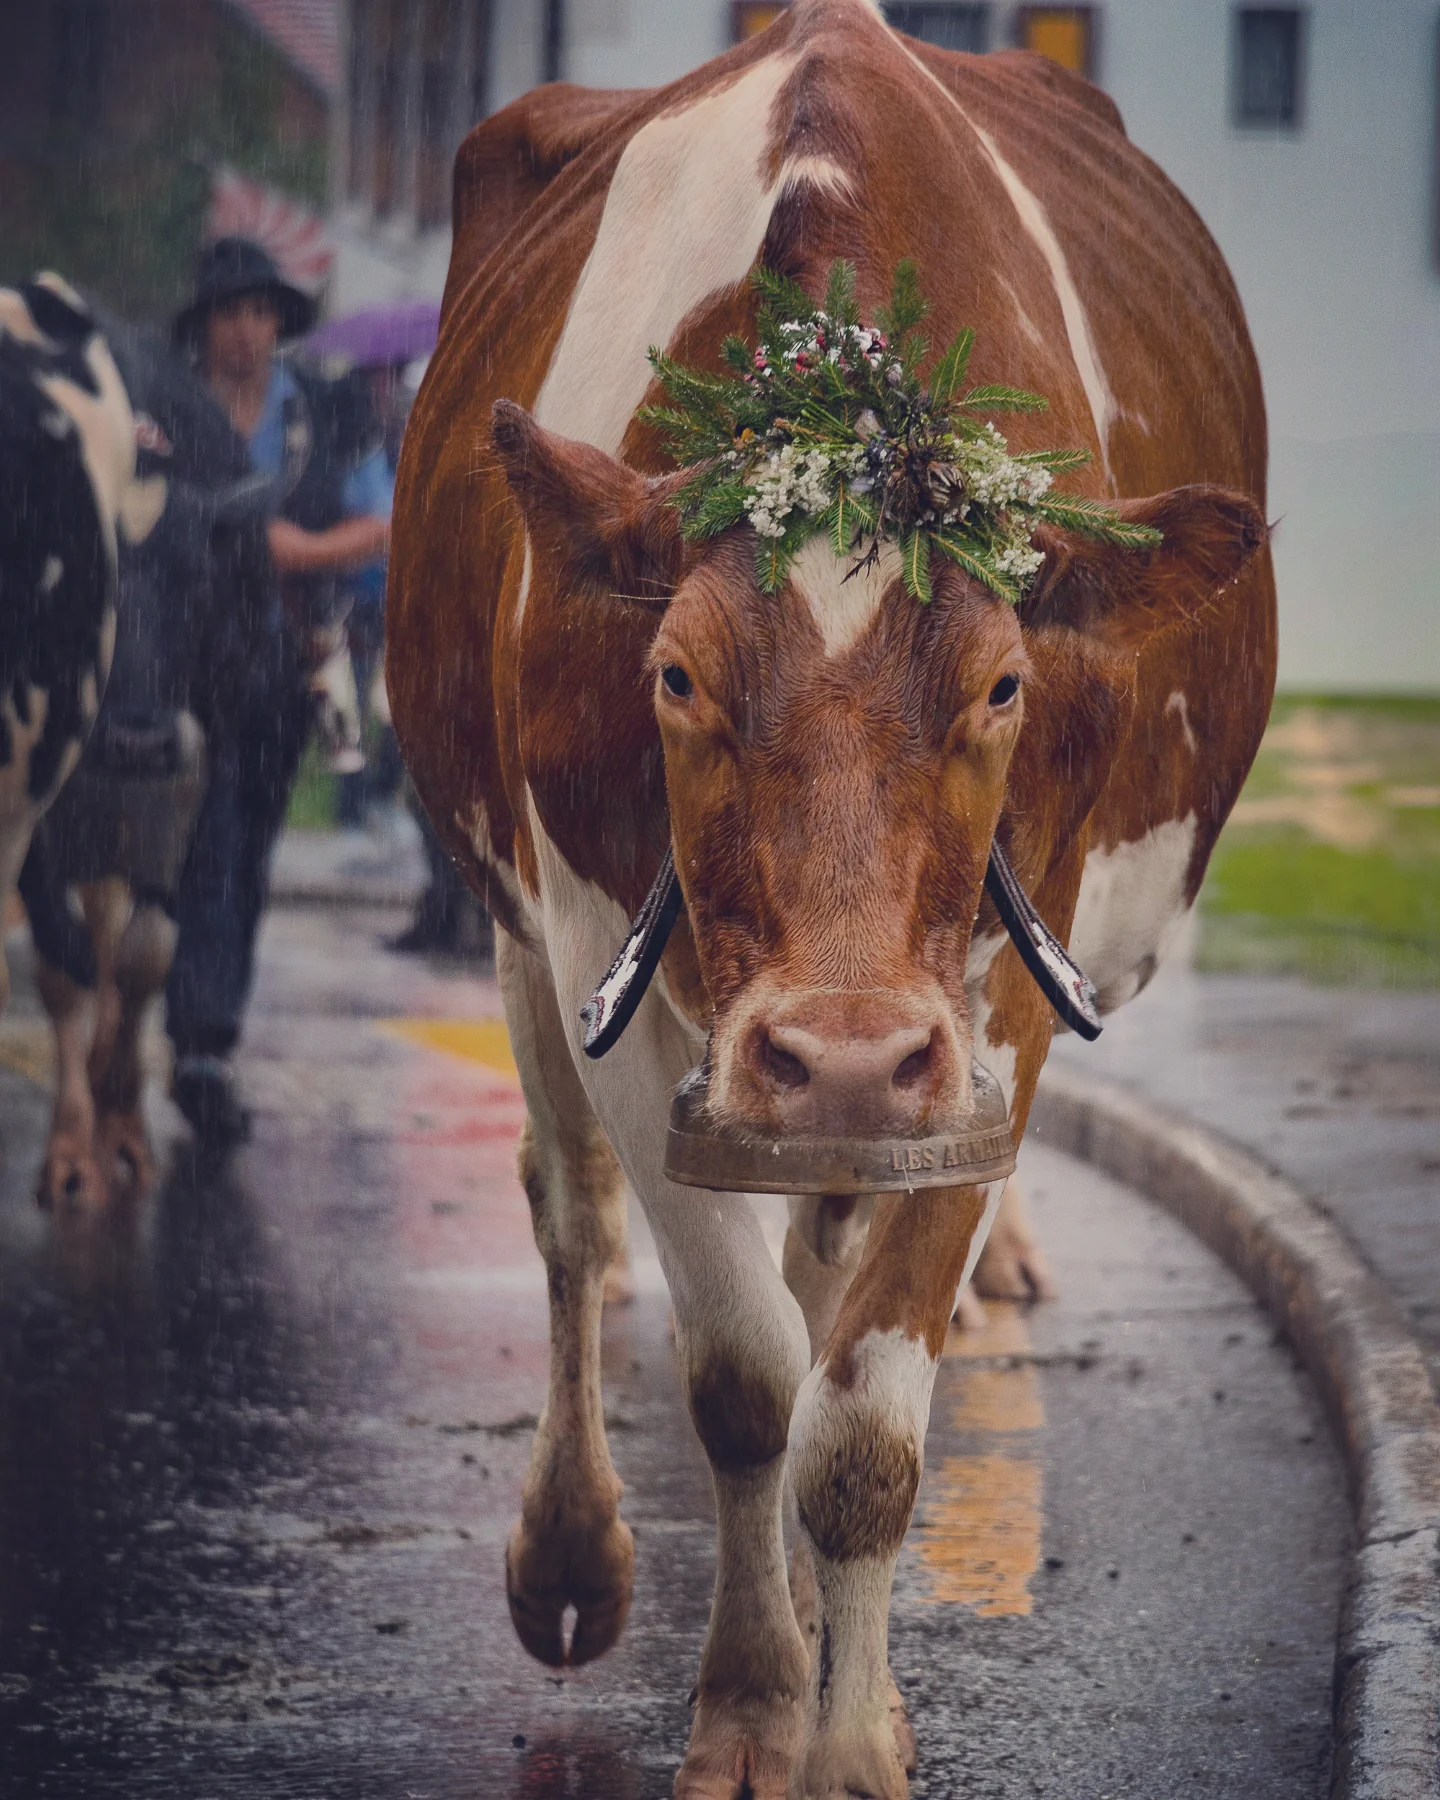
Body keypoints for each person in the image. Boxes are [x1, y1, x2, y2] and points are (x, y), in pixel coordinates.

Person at [165, 237, 390, 1148]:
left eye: (261, 311)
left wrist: (291, 551)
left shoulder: (322, 413)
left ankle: (207, 1037)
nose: (247, 330)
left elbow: (378, 520)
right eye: (230, 312)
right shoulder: (167, 410)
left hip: (279, 670)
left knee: (242, 847)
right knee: (188, 848)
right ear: (207, 323)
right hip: (175, 667)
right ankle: (185, 1034)